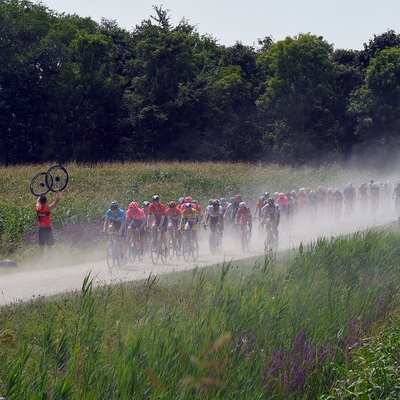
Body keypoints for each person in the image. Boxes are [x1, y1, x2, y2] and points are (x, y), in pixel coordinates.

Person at [36, 190, 60, 257]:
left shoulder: (38, 208)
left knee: (41, 248)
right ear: (46, 201)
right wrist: (57, 193)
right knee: (49, 247)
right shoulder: (47, 209)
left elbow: (37, 202)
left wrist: (40, 196)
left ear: (40, 201)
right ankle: (49, 261)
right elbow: (56, 201)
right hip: (47, 229)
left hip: (41, 229)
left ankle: (41, 262)